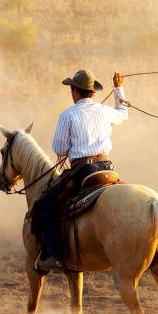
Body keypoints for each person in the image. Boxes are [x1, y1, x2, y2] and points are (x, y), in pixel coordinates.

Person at [33, 69, 128, 273]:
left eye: (71, 89)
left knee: (45, 204)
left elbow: (59, 149)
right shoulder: (104, 111)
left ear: (75, 91)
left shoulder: (68, 115)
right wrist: (118, 88)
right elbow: (123, 114)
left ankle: (52, 255)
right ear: (92, 92)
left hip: (83, 170)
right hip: (107, 167)